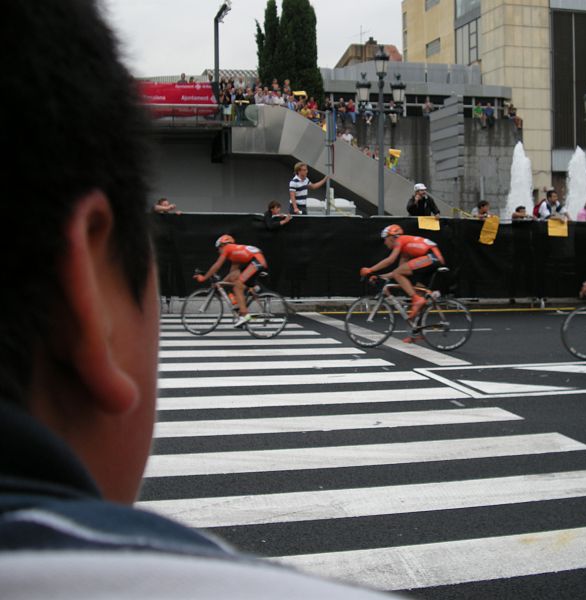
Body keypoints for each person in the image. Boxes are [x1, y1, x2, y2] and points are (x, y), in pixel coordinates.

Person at [0, 1, 394, 597]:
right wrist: (208, 276)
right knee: (228, 282)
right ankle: (243, 310)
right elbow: (215, 266)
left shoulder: (237, 246)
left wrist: (216, 277)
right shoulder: (226, 246)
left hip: (262, 266)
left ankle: (246, 315)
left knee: (239, 285)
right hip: (249, 263)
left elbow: (225, 266)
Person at [359, 224, 446, 323]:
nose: (385, 243)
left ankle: (416, 299)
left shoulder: (400, 240)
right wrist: (380, 276)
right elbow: (397, 272)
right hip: (434, 258)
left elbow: (390, 260)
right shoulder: (406, 249)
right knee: (415, 288)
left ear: (391, 237)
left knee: (414, 294)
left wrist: (370, 270)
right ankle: (417, 329)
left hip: (432, 257)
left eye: (385, 239)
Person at [193, 235, 268, 328]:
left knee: (237, 287)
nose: (218, 251)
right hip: (257, 261)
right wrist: (220, 284)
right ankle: (242, 302)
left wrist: (204, 278)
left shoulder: (227, 248)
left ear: (222, 245)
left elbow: (217, 265)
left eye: (218, 249)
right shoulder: (234, 254)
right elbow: (231, 275)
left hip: (257, 262)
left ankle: (244, 315)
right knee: (235, 280)